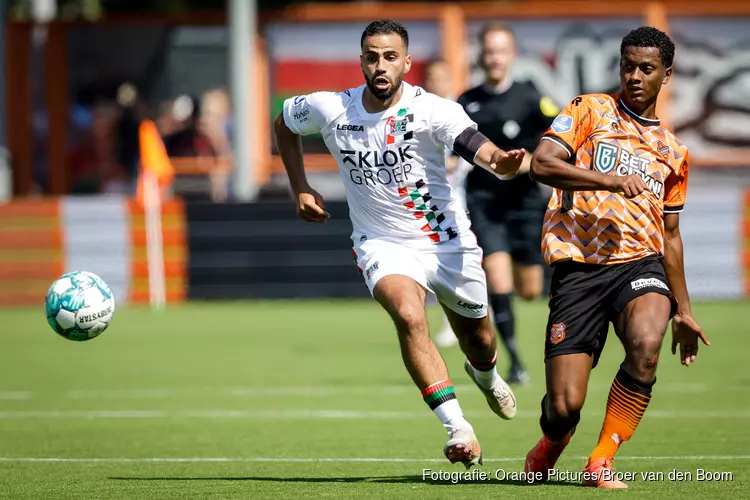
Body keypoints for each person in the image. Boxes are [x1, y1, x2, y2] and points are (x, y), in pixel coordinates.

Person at [274, 19, 523, 469]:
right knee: (409, 315)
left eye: (391, 56)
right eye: (372, 56)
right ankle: (458, 428)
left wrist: (502, 164)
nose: (381, 65)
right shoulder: (332, 108)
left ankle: (485, 376)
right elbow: (284, 123)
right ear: (362, 61)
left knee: (481, 341)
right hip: (381, 243)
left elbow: (479, 149)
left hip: (446, 244)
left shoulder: (435, 110)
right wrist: (300, 187)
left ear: (407, 63)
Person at [524, 26, 709, 488]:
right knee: (564, 406)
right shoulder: (590, 110)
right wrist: (606, 181)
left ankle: (602, 460)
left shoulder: (674, 152)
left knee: (647, 345)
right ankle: (552, 443)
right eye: (628, 66)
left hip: (638, 265)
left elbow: (671, 235)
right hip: (579, 269)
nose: (634, 76)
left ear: (666, 74)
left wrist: (684, 311)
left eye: (646, 69)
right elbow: (541, 164)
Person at [458, 22, 560, 384]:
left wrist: (526, 164)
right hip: (485, 204)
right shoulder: (466, 102)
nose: (494, 58)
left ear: (512, 55)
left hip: (525, 204)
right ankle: (515, 361)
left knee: (530, 290)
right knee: (498, 280)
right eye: (488, 51)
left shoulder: (531, 97)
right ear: (480, 56)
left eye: (501, 50)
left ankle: (514, 334)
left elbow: (559, 144)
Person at [422, 59, 471, 348]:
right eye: (431, 77)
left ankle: (455, 322)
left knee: (451, 263)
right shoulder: (419, 110)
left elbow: (472, 153)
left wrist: (454, 165)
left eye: (441, 77)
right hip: (421, 202)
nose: (436, 82)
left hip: (454, 201)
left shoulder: (457, 112)